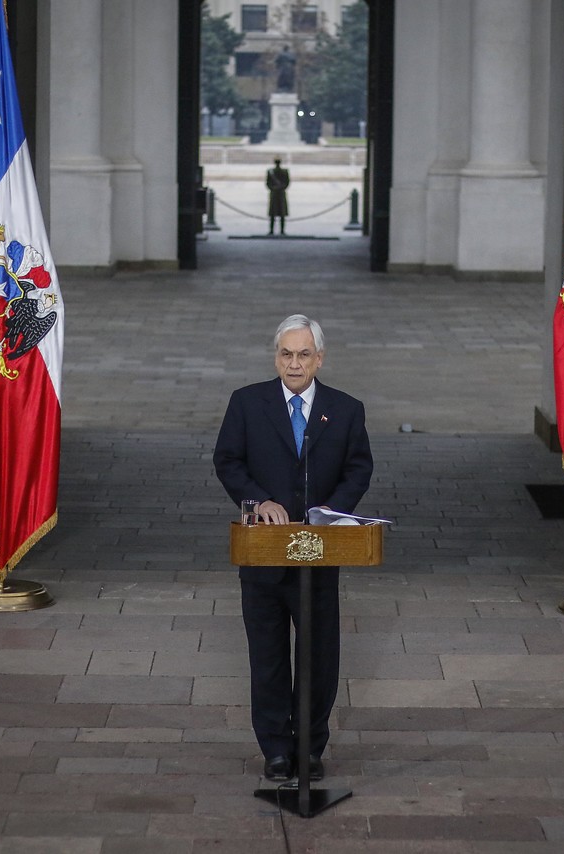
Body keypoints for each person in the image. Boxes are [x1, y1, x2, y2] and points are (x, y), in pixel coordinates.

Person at [213, 315, 373, 783]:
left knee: (319, 657)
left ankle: (310, 746)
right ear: (275, 357)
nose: (295, 363)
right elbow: (228, 460)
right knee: (267, 657)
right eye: (287, 353)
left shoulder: (346, 410)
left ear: (319, 358)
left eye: (304, 354)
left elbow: (358, 469)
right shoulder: (247, 403)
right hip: (264, 556)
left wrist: (330, 511)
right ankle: (276, 750)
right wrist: (258, 501)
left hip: (318, 555)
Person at [266, 158, 290, 236]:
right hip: (281, 193)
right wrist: (281, 188)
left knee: (273, 213)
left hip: (274, 193)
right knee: (281, 213)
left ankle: (271, 230)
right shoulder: (285, 171)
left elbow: (268, 184)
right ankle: (282, 230)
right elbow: (287, 183)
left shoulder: (270, 172)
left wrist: (274, 188)